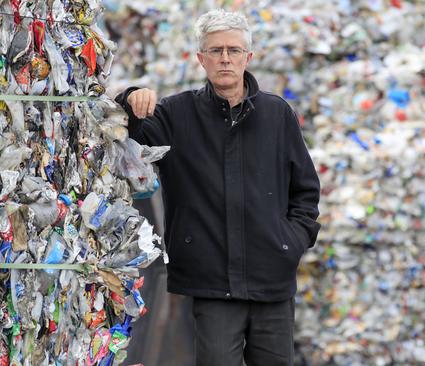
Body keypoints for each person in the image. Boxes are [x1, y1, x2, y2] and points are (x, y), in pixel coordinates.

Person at [114, 8, 321, 366]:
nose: (225, 58)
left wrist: (291, 242)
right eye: (215, 51)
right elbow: (133, 138)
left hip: (271, 281)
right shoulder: (176, 114)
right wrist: (131, 98)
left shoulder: (277, 115)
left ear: (248, 57)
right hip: (211, 283)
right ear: (201, 59)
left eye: (233, 50)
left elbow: (306, 191)